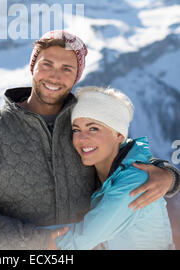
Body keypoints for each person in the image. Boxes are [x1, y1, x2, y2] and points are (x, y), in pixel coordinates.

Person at [0, 30, 180, 250]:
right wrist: (30, 241)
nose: (55, 76)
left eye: (67, 68)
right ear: (33, 68)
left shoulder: (83, 120)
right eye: (46, 64)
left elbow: (122, 155)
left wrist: (168, 175)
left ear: (76, 76)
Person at [46, 86, 176, 250]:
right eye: (76, 130)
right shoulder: (105, 173)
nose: (81, 138)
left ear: (119, 135)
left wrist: (19, 236)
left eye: (93, 128)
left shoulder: (134, 182)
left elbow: (79, 239)